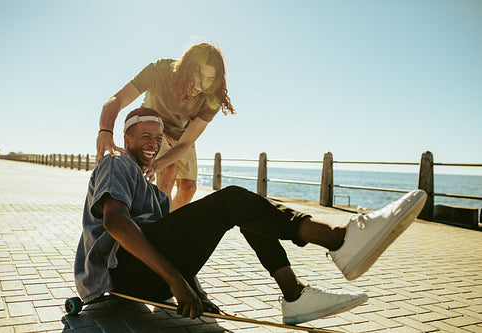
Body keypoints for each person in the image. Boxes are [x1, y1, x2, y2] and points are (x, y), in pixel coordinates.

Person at [76, 107, 427, 325]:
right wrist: (175, 282)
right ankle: (340, 238)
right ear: (127, 137)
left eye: (157, 138)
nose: (153, 143)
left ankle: (294, 293)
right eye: (145, 137)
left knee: (245, 210)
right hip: (120, 276)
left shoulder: (154, 192)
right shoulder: (117, 162)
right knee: (231, 199)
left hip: (146, 277)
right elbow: (116, 222)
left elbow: (177, 244)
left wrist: (198, 292)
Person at [96, 42, 235, 210]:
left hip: (181, 135)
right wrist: (105, 130)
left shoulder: (212, 97)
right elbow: (116, 100)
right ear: (186, 68)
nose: (201, 86)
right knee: (168, 171)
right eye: (198, 76)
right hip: (153, 126)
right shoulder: (159, 71)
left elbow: (185, 142)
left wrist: (156, 164)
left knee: (189, 187)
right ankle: (158, 225)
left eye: (210, 79)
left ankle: (170, 226)